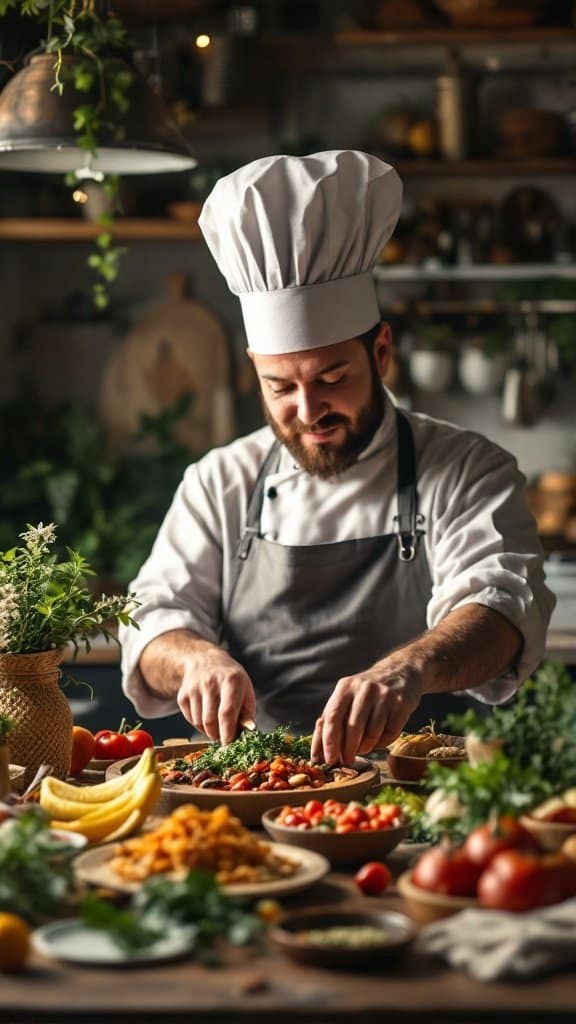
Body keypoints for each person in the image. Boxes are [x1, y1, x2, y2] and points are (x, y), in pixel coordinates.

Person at [119, 150, 554, 765]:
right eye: (281, 386)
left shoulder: (466, 469)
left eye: (331, 377)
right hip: (260, 789)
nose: (308, 409)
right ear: (256, 374)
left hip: (426, 790)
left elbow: (503, 604)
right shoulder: (220, 481)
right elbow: (152, 619)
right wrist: (194, 658)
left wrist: (410, 668)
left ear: (380, 354)